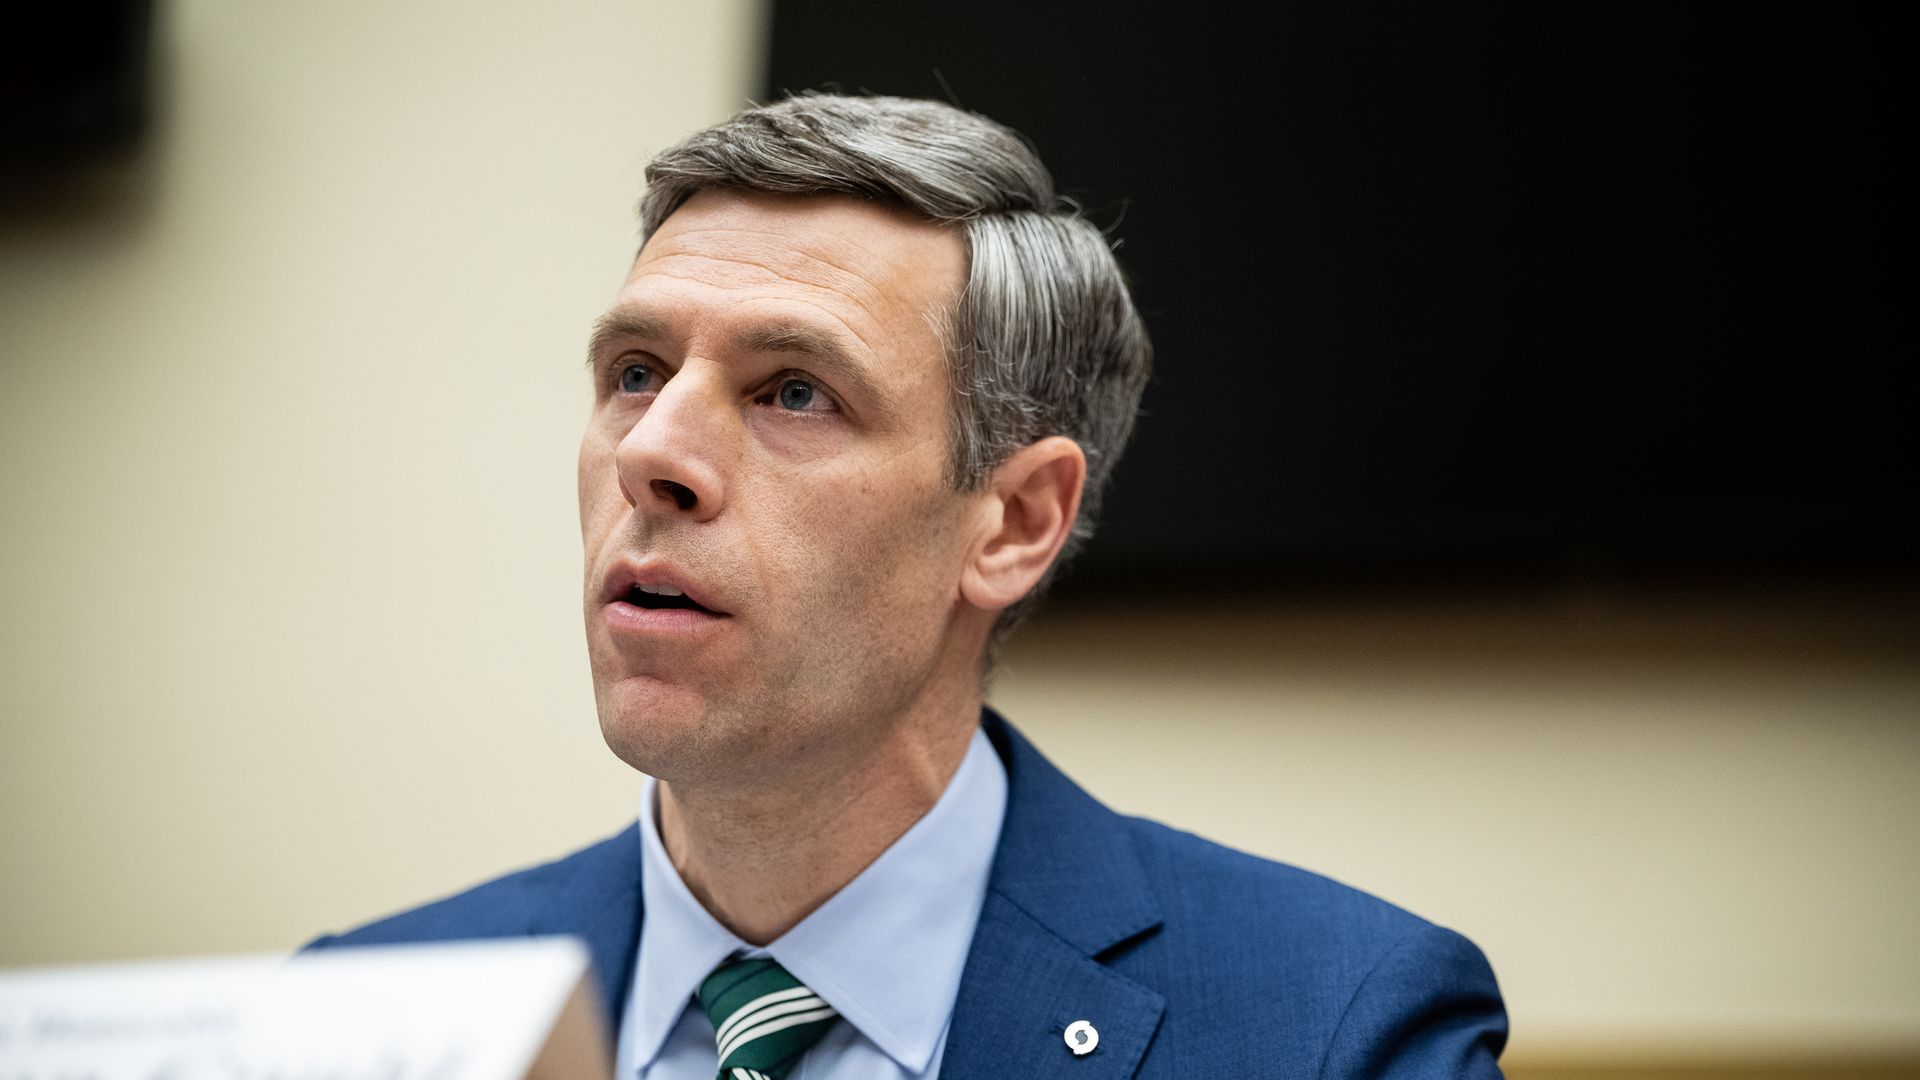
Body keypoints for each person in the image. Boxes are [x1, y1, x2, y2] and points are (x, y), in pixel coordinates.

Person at [307, 93, 1508, 1079]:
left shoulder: (1337, 1029)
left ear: (1013, 522)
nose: (650, 454)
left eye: (792, 390)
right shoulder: (352, 1020)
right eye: (635, 371)